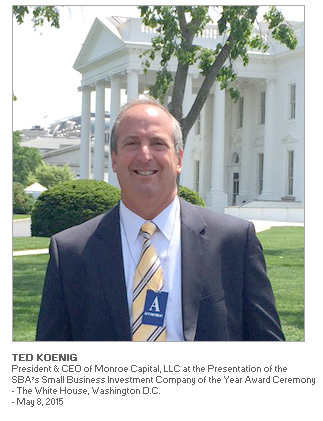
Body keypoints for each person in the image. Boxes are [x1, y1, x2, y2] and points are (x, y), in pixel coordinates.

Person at [36, 97, 284, 341]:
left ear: (179, 159)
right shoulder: (71, 252)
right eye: (132, 143)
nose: (145, 156)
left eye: (158, 143)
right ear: (114, 159)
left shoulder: (234, 242)